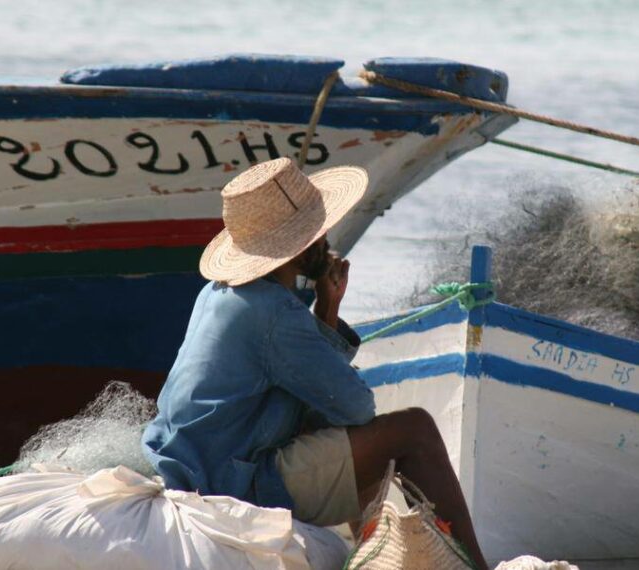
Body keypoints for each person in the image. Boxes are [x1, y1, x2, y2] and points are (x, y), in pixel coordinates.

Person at [142, 157, 488, 568]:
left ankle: (374, 557)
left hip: (200, 464)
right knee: (413, 430)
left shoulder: (218, 293)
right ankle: (478, 567)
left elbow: (316, 395)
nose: (325, 236)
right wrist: (323, 312)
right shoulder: (273, 312)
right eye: (316, 230)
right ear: (297, 246)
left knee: (355, 437)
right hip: (232, 481)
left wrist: (327, 307)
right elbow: (356, 407)